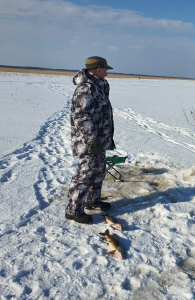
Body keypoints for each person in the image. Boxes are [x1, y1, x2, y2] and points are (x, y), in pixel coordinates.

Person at [65, 56, 116, 224]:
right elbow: (81, 116)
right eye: (105, 69)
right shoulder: (86, 89)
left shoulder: (98, 86)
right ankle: (73, 210)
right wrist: (92, 140)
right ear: (97, 70)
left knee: (98, 171)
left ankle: (92, 201)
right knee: (85, 174)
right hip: (89, 141)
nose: (107, 73)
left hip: (99, 140)